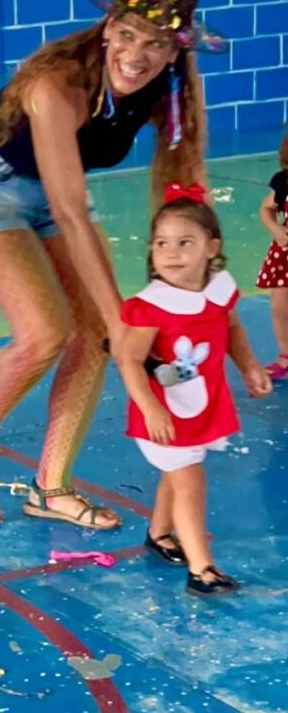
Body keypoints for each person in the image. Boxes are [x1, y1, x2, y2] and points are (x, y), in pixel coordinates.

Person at [0, 0, 234, 529]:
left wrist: (198, 277)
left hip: (53, 189)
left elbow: (182, 184)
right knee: (45, 332)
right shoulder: (57, 85)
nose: (137, 55)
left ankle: (50, 487)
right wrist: (125, 320)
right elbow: (71, 212)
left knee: (97, 336)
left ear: (175, 51)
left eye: (156, 44)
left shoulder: (167, 90)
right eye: (127, 34)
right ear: (107, 28)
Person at [117, 183, 271, 595]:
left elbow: (232, 329)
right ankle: (202, 570)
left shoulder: (219, 291)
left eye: (185, 242)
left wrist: (249, 365)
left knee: (179, 472)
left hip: (202, 404)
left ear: (211, 247)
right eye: (161, 243)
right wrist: (150, 409)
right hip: (164, 410)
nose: (171, 253)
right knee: (189, 479)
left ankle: (159, 534)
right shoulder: (151, 305)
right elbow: (129, 359)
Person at [255, 129, 288, 380]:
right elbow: (266, 209)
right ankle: (286, 355)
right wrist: (276, 229)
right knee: (279, 306)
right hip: (286, 252)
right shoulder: (283, 182)